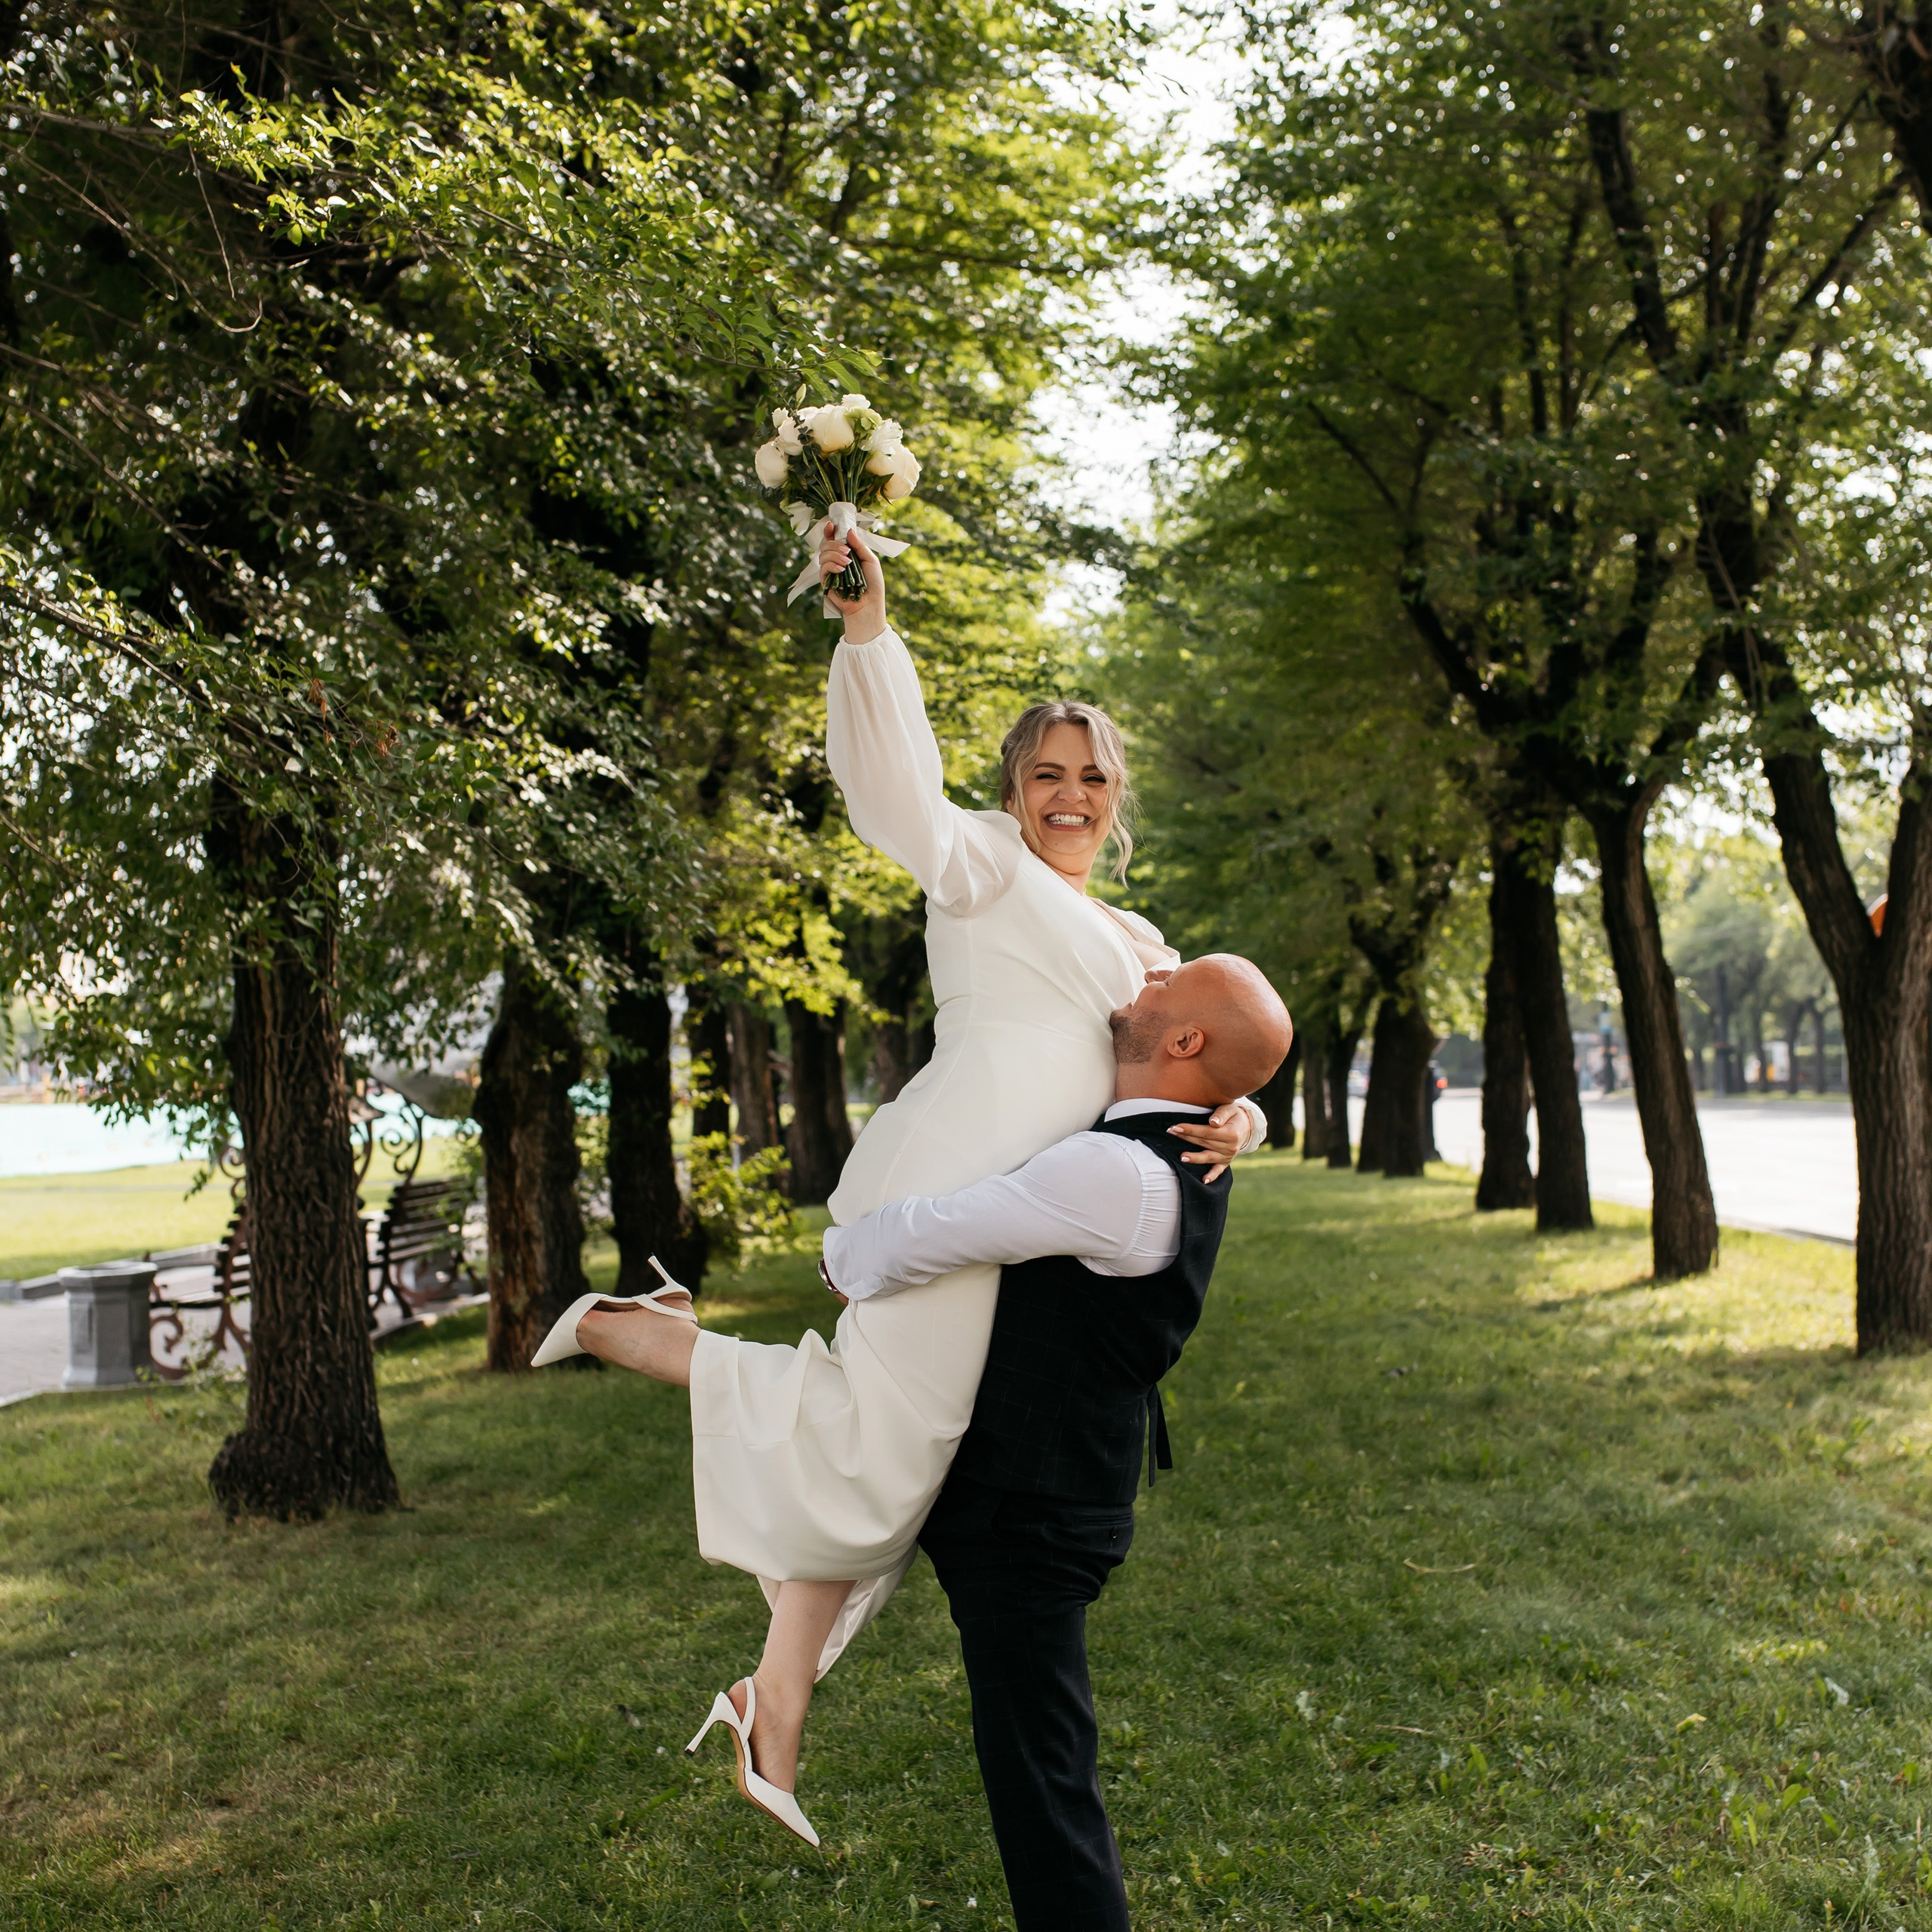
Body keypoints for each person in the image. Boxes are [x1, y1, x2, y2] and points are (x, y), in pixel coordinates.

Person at [529, 525, 1268, 1844]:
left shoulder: (1140, 942)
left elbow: (1189, 1064)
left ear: (1118, 794)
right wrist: (869, 635)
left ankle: (773, 1707)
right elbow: (894, 799)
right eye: (1045, 771)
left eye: (1091, 775)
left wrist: (1245, 1118)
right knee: (889, 1450)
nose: (1068, 794)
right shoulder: (982, 862)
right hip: (947, 1187)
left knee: (891, 1453)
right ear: (1015, 786)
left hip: (1016, 1216)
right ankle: (620, 1333)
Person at [821, 952, 1293, 1930]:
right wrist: (1245, 1111)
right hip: (1057, 1487)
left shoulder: (1113, 1171)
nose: (1149, 974)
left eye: (1170, 984)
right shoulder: (1171, 1144)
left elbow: (936, 1231)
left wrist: (840, 1255)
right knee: (1039, 1757)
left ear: (1185, 1042)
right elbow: (1232, 1072)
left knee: (1040, 1775)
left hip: (1026, 1508)